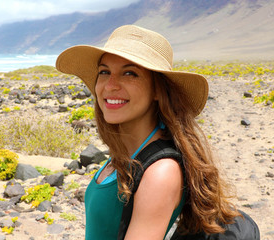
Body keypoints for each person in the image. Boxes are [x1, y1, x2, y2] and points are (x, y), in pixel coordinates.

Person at [56, 25, 242, 239]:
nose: (110, 85)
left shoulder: (160, 173)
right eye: (104, 72)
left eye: (129, 73)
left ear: (157, 90)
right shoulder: (126, 153)